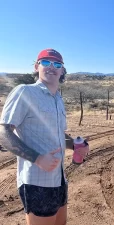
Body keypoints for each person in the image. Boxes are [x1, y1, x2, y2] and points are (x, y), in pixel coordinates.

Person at [0, 49, 89, 225]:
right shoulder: (25, 92)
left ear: (62, 71)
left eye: (57, 64)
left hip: (59, 179)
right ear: (36, 66)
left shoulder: (58, 99)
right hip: (37, 182)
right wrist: (38, 158)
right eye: (45, 62)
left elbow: (56, 134)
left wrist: (75, 145)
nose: (51, 67)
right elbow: (3, 133)